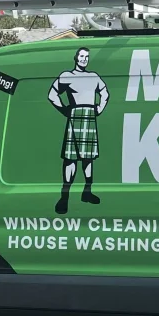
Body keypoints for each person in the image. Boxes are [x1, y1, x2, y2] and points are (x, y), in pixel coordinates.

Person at [48, 47, 109, 214]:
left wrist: (99, 108)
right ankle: (64, 197)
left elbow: (104, 93)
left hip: (90, 115)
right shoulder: (66, 76)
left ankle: (87, 192)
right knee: (71, 159)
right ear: (76, 58)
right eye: (81, 56)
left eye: (87, 57)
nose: (84, 59)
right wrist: (64, 109)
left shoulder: (94, 76)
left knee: (88, 159)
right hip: (75, 115)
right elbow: (52, 94)